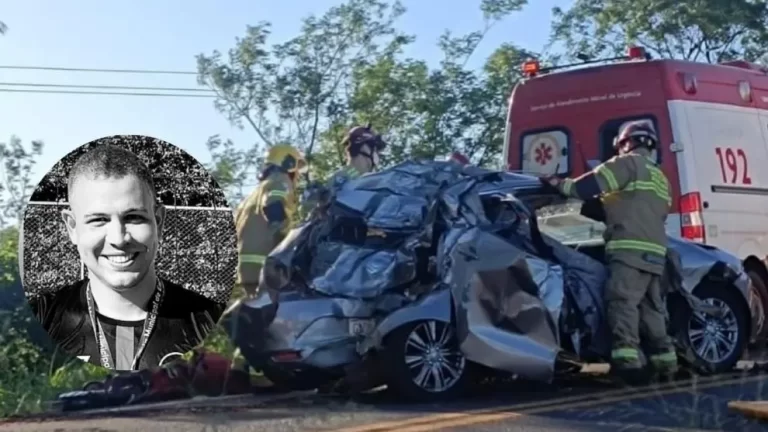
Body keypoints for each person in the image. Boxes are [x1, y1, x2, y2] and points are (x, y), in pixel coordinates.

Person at [28, 145, 225, 371]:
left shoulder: (209, 320)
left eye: (133, 217)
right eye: (98, 220)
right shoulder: (40, 319)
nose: (119, 239)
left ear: (158, 221)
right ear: (72, 227)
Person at [540, 121, 677, 379]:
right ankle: (666, 362)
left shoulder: (625, 164)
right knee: (650, 308)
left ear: (625, 143)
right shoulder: (660, 177)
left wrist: (557, 183)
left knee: (622, 302)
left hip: (628, 249)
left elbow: (584, 187)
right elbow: (638, 209)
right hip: (655, 252)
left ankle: (629, 364)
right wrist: (602, 210)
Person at [235, 144, 306, 297]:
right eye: (296, 168)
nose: (297, 175)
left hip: (246, 271)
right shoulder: (280, 179)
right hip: (266, 267)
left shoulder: (253, 194)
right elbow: (274, 206)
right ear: (288, 163)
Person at [327, 125, 388, 190]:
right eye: (376, 148)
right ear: (363, 147)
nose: (378, 154)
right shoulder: (342, 178)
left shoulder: (351, 175)